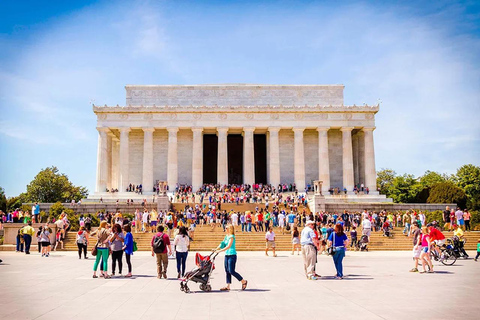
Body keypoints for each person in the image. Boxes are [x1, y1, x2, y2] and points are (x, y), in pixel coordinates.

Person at [214, 224, 248, 291]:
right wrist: (216, 249)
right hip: (227, 254)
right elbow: (222, 244)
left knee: (231, 271)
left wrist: (219, 251)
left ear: (230, 229)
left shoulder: (232, 236)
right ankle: (228, 285)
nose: (225, 229)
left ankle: (243, 281)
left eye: (226, 228)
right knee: (227, 270)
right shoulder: (226, 236)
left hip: (232, 255)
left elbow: (228, 246)